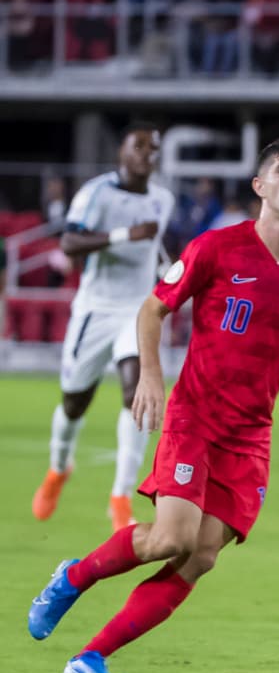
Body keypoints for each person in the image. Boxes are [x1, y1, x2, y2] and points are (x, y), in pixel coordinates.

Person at [26, 138, 279, 673]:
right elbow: (153, 309)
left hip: (251, 436)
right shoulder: (216, 248)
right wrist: (151, 376)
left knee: (200, 556)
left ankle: (91, 657)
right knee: (172, 538)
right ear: (261, 186)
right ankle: (73, 577)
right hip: (196, 415)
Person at [32, 124, 176, 532]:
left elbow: (156, 246)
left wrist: (170, 273)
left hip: (137, 311)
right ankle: (59, 468)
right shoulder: (96, 193)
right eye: (139, 146)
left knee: (137, 394)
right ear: (122, 153)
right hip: (95, 311)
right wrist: (123, 235)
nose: (147, 153)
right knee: (74, 403)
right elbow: (69, 244)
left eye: (153, 148)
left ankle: (121, 497)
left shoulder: (162, 199)